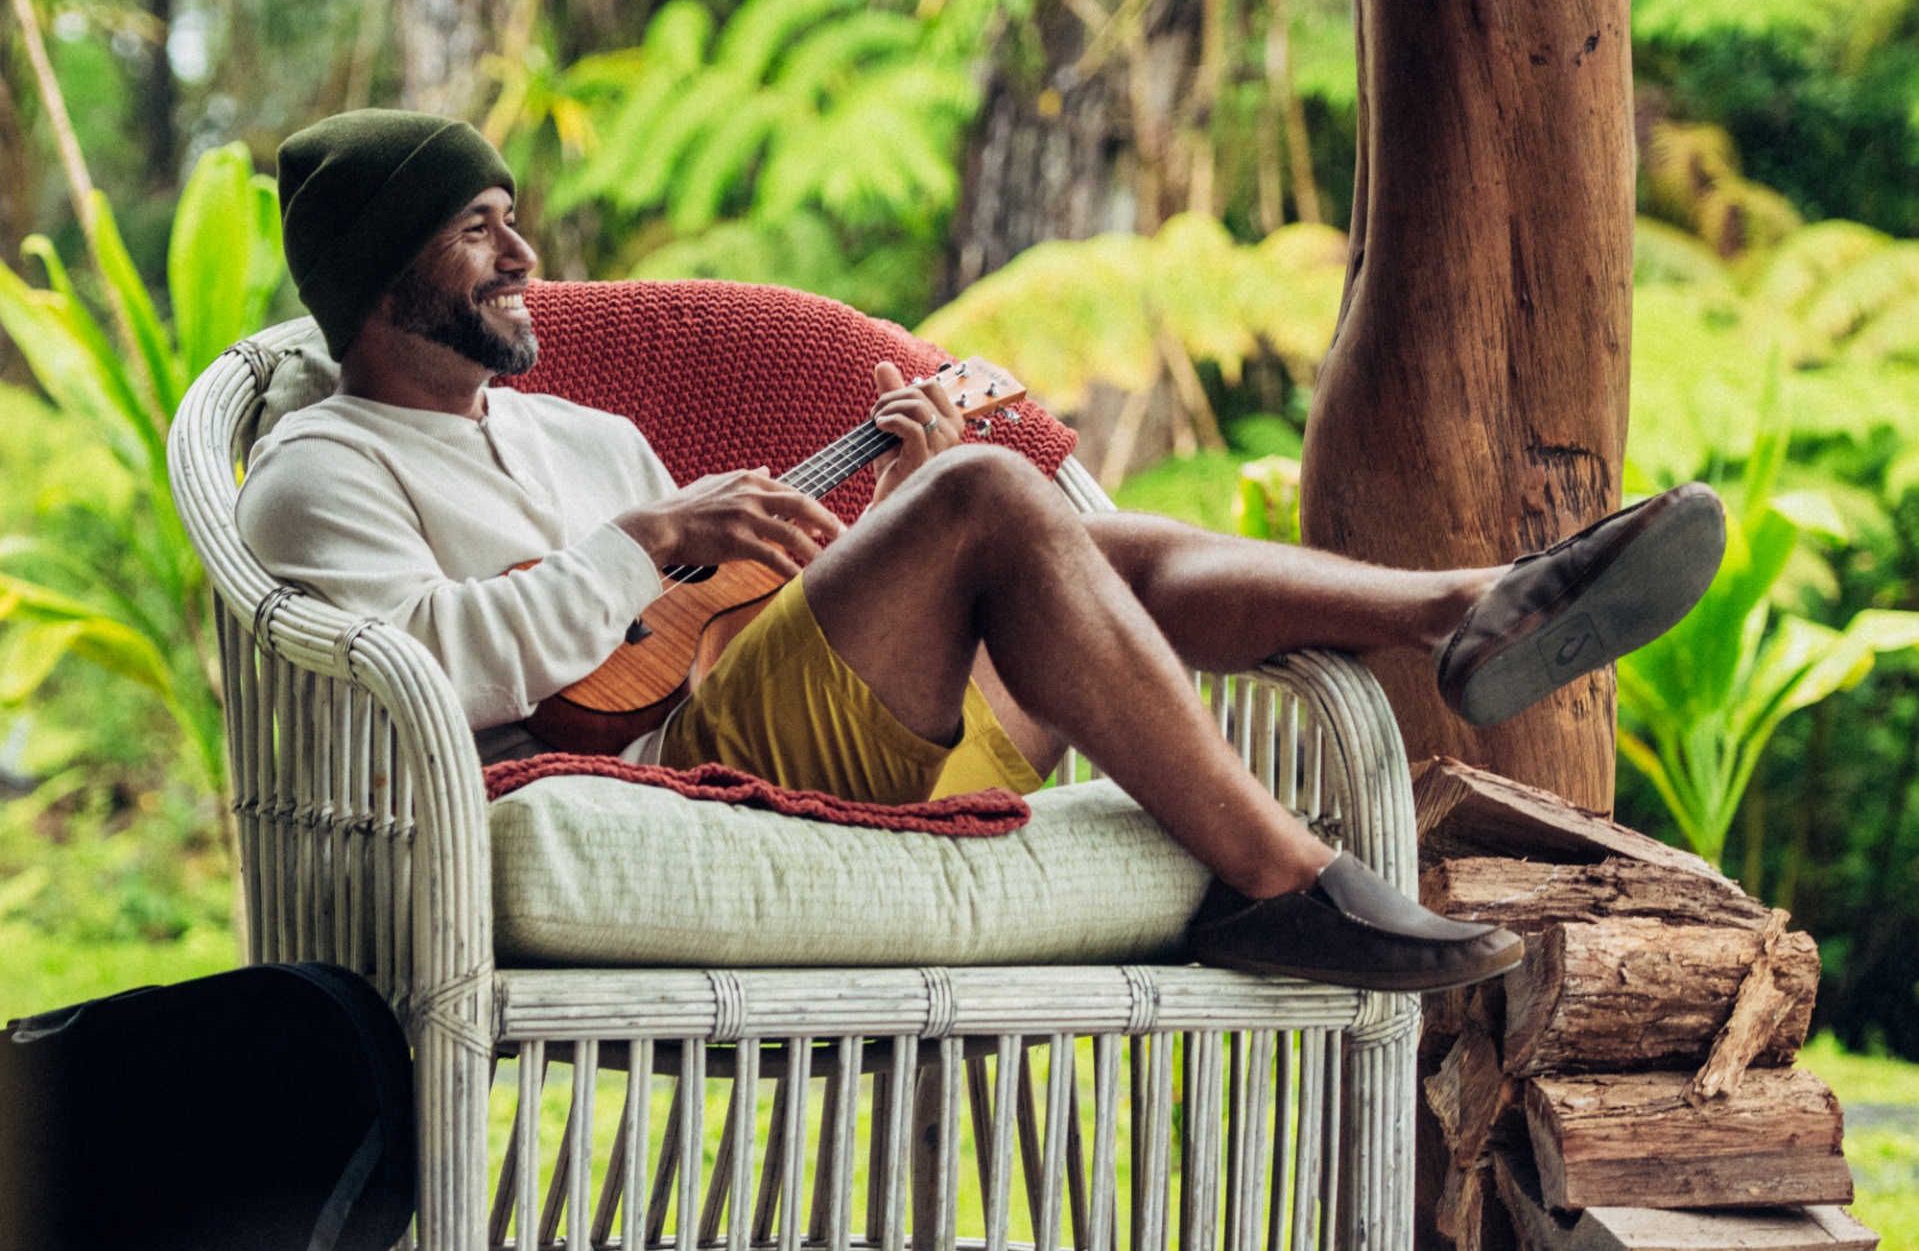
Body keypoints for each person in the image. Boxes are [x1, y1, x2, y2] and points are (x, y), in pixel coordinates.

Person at [238, 110, 1726, 994]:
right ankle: (1283, 876)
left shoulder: (576, 436)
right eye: (476, 229)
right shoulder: (322, 468)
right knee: (999, 501)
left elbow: (719, 603)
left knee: (1092, 537)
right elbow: (410, 665)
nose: (522, 255)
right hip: (668, 759)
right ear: (380, 269)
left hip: (772, 707)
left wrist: (875, 502)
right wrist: (651, 538)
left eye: (514, 220)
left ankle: (1471, 604)